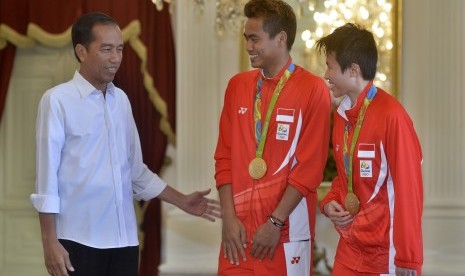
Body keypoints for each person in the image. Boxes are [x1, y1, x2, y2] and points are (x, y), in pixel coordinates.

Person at [30, 12, 220, 276]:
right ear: (82, 51)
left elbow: (135, 171)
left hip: (124, 242)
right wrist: (49, 241)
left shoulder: (122, 101)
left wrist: (181, 201)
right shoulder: (57, 101)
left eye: (119, 49)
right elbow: (46, 180)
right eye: (106, 49)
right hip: (77, 240)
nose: (116, 58)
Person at [214, 0, 331, 275]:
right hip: (238, 234)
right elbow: (223, 157)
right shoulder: (237, 86)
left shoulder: (313, 90)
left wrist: (276, 223)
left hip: (286, 233)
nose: (248, 47)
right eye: (246, 38)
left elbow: (310, 170)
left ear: (280, 38)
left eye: (254, 39)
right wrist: (228, 220)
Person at [316, 23, 423, 275]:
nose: (326, 74)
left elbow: (409, 190)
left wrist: (408, 258)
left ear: (353, 70)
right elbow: (344, 181)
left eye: (330, 66)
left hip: (385, 255)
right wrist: (330, 202)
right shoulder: (341, 117)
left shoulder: (392, 116)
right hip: (349, 250)